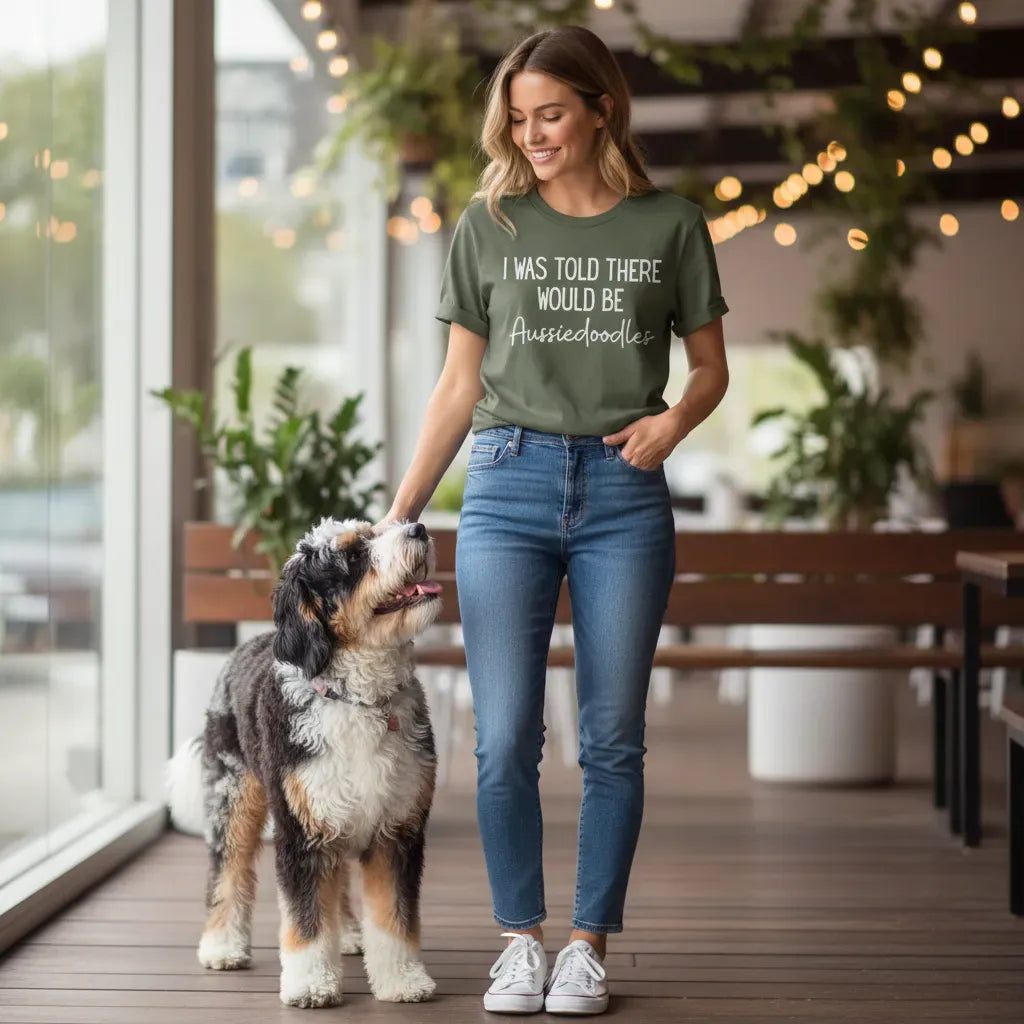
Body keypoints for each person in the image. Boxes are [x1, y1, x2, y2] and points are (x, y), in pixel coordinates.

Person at [376, 24, 729, 1016]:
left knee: (614, 736)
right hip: (505, 483)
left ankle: (586, 946)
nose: (531, 135)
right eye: (519, 118)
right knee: (504, 737)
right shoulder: (490, 225)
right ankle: (518, 941)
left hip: (624, 493)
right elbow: (456, 386)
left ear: (601, 108)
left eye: (551, 115)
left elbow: (710, 370)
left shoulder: (670, 224)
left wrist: (672, 421)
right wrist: (401, 510)